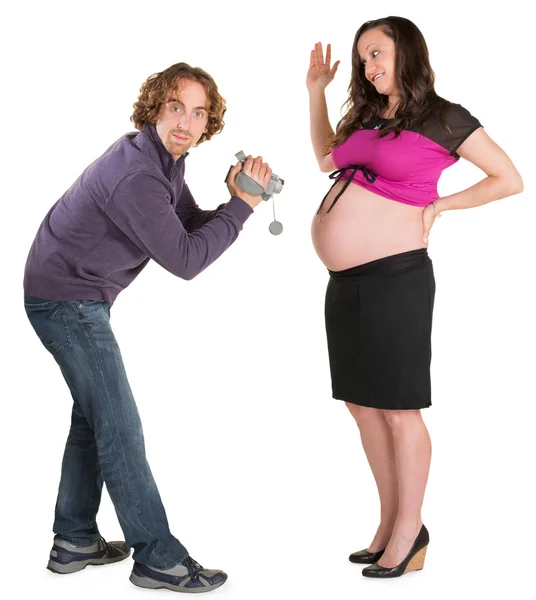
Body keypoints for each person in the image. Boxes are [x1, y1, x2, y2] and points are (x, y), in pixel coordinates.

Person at [23, 61, 272, 593]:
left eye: (198, 112)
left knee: (95, 419)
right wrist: (243, 207)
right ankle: (158, 556)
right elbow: (184, 259)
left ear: (209, 123)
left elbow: (183, 226)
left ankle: (74, 540)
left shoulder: (161, 162)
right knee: (120, 427)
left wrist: (234, 199)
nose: (185, 121)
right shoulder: (140, 173)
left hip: (68, 293)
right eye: (175, 106)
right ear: (155, 107)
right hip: (67, 300)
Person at [307, 16, 523, 579]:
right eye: (363, 59)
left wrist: (441, 206)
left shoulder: (443, 118)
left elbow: (509, 178)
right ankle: (388, 522)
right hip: (345, 282)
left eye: (376, 53)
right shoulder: (365, 116)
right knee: (361, 403)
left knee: (400, 410)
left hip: (397, 279)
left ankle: (412, 530)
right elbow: (326, 161)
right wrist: (315, 94)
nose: (369, 67)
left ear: (407, 51)